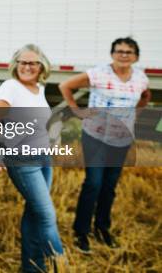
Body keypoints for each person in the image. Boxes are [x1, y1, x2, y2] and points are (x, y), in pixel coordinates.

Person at [59, 37, 151, 254]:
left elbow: (146, 97)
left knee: (109, 186)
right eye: (119, 51)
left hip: (121, 139)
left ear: (135, 56)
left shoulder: (140, 78)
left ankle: (102, 228)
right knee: (93, 183)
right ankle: (81, 231)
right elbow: (65, 86)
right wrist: (77, 110)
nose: (123, 55)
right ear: (112, 54)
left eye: (128, 52)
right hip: (96, 136)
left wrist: (135, 113)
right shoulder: (98, 73)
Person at [0, 44, 64, 273]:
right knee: (46, 216)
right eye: (22, 62)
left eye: (32, 62)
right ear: (16, 65)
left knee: (34, 213)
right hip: (22, 160)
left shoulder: (39, 88)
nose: (27, 66)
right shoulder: (10, 87)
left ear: (41, 66)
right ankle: (60, 267)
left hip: (43, 157)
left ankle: (32, 268)